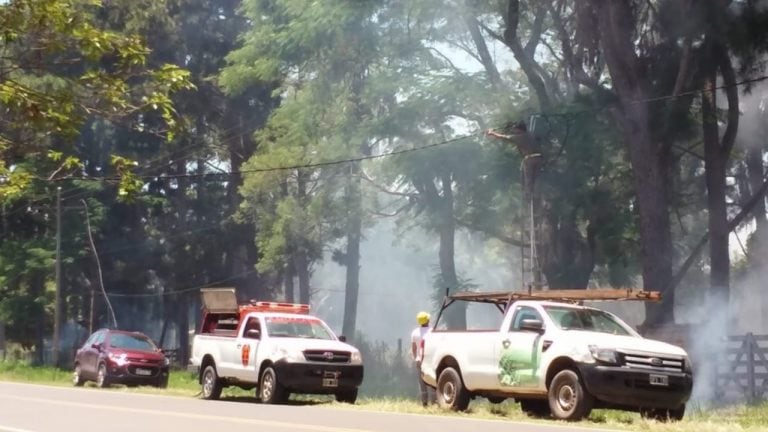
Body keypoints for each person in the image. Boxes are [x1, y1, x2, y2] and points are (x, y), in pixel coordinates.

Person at [411, 311, 434, 406]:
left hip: (419, 360)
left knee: (422, 383)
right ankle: (435, 402)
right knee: (433, 380)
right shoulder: (432, 330)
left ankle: (424, 402)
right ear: (428, 320)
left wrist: (416, 357)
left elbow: (413, 348)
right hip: (431, 359)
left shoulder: (414, 332)